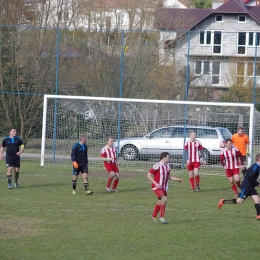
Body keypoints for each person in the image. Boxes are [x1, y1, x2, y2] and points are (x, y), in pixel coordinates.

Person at [218, 153, 260, 220]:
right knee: (239, 201)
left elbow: (247, 172)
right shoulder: (256, 166)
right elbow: (249, 176)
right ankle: (223, 201)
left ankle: (258, 215)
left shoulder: (256, 166)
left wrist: (244, 170)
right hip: (246, 186)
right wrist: (258, 183)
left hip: (250, 186)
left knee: (257, 200)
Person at [147, 152, 183, 224]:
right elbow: (148, 175)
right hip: (156, 187)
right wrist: (156, 183)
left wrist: (177, 179)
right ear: (164, 158)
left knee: (160, 202)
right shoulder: (157, 166)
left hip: (164, 187)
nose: (169, 158)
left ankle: (153, 215)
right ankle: (161, 217)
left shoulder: (167, 166)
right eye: (168, 157)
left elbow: (168, 176)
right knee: (164, 199)